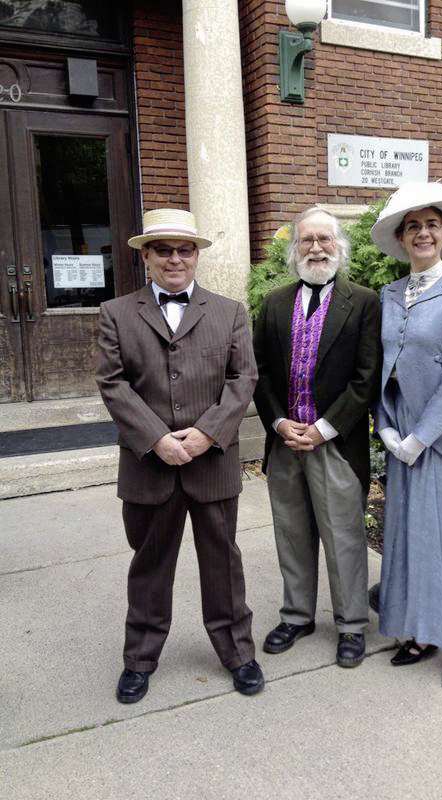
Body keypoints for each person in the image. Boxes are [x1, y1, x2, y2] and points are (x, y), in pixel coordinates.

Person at [96, 208, 264, 703]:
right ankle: (140, 659)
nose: (175, 258)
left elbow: (243, 379)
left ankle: (237, 652)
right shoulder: (116, 313)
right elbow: (113, 383)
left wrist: (207, 435)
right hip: (149, 465)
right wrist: (157, 439)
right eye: (163, 249)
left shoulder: (229, 311)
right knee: (149, 566)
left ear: (197, 256)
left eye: (184, 249)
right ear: (145, 256)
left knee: (223, 564)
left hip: (211, 463)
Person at [253, 207, 381, 668]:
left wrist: (324, 428)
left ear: (339, 246)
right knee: (291, 533)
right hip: (285, 441)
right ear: (294, 249)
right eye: (307, 240)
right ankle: (297, 615)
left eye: (324, 239)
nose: (316, 248)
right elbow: (259, 371)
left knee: (343, 535)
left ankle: (350, 625)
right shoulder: (273, 302)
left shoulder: (364, 302)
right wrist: (277, 422)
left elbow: (367, 378)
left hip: (335, 444)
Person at [370, 181, 442, 688]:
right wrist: (388, 428)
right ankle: (421, 628)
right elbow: (379, 368)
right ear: (400, 237)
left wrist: (422, 437)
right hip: (401, 437)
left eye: (431, 225)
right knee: (409, 540)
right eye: (412, 226)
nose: (422, 233)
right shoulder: (389, 294)